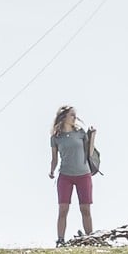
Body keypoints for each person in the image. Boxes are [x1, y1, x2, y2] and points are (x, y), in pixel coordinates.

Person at [48, 105, 95, 246]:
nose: (75, 118)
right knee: (63, 209)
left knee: (85, 209)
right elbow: (54, 158)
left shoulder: (80, 133)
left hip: (83, 175)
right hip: (65, 176)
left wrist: (93, 136)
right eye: (72, 115)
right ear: (64, 117)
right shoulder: (56, 137)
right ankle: (60, 240)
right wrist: (51, 171)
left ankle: (90, 239)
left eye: (75, 115)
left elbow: (89, 153)